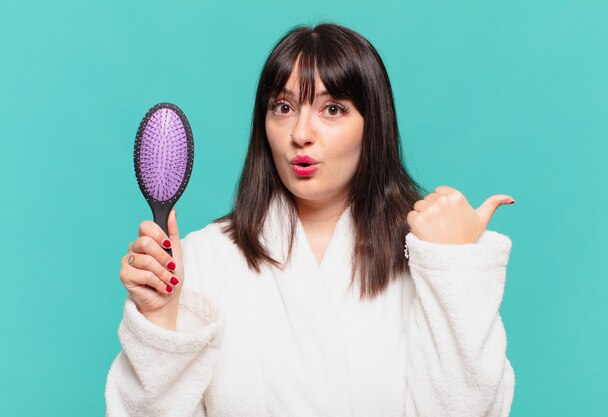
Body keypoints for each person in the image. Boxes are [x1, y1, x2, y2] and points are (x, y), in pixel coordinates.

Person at [105, 23, 516, 417]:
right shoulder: (205, 259)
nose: (301, 132)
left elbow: (469, 409)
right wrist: (161, 321)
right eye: (283, 107)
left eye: (332, 109)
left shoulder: (427, 257)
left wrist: (455, 267)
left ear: (372, 126)